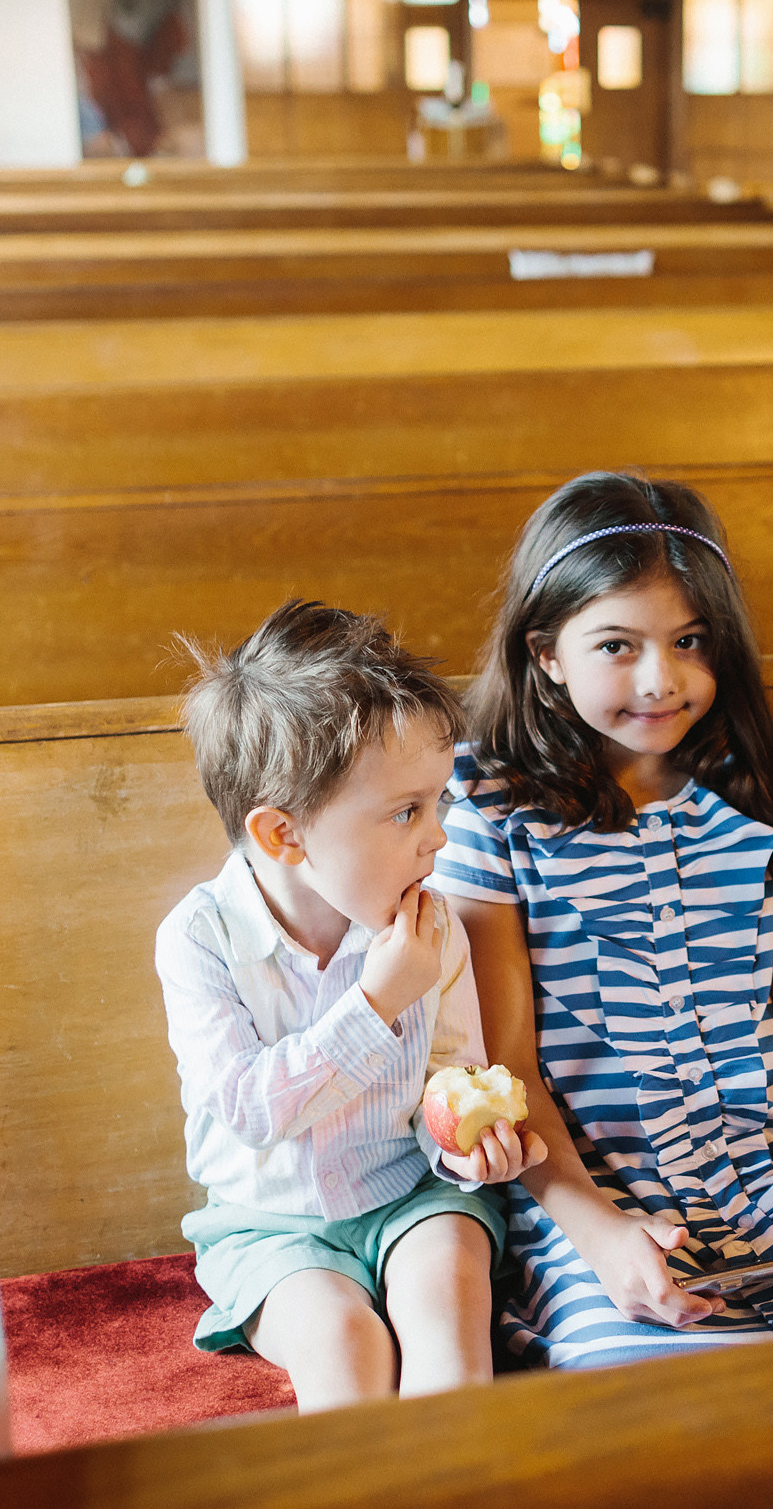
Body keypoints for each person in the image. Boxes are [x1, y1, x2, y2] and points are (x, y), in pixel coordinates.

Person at [431, 473, 773, 1369]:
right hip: (591, 1200)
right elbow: (508, 1066)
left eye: (690, 641)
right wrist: (601, 1235)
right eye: (617, 645)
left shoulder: (763, 783)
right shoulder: (492, 802)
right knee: (663, 1404)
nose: (661, 680)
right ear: (545, 651)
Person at [156, 601, 544, 1411]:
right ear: (282, 836)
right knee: (343, 1341)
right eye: (407, 811)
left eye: (438, 802)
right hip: (271, 1223)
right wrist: (374, 1002)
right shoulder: (200, 940)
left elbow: (449, 1078)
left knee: (445, 1304)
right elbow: (250, 1108)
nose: (438, 837)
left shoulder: (428, 922)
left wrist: (467, 1153)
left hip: (411, 1193)